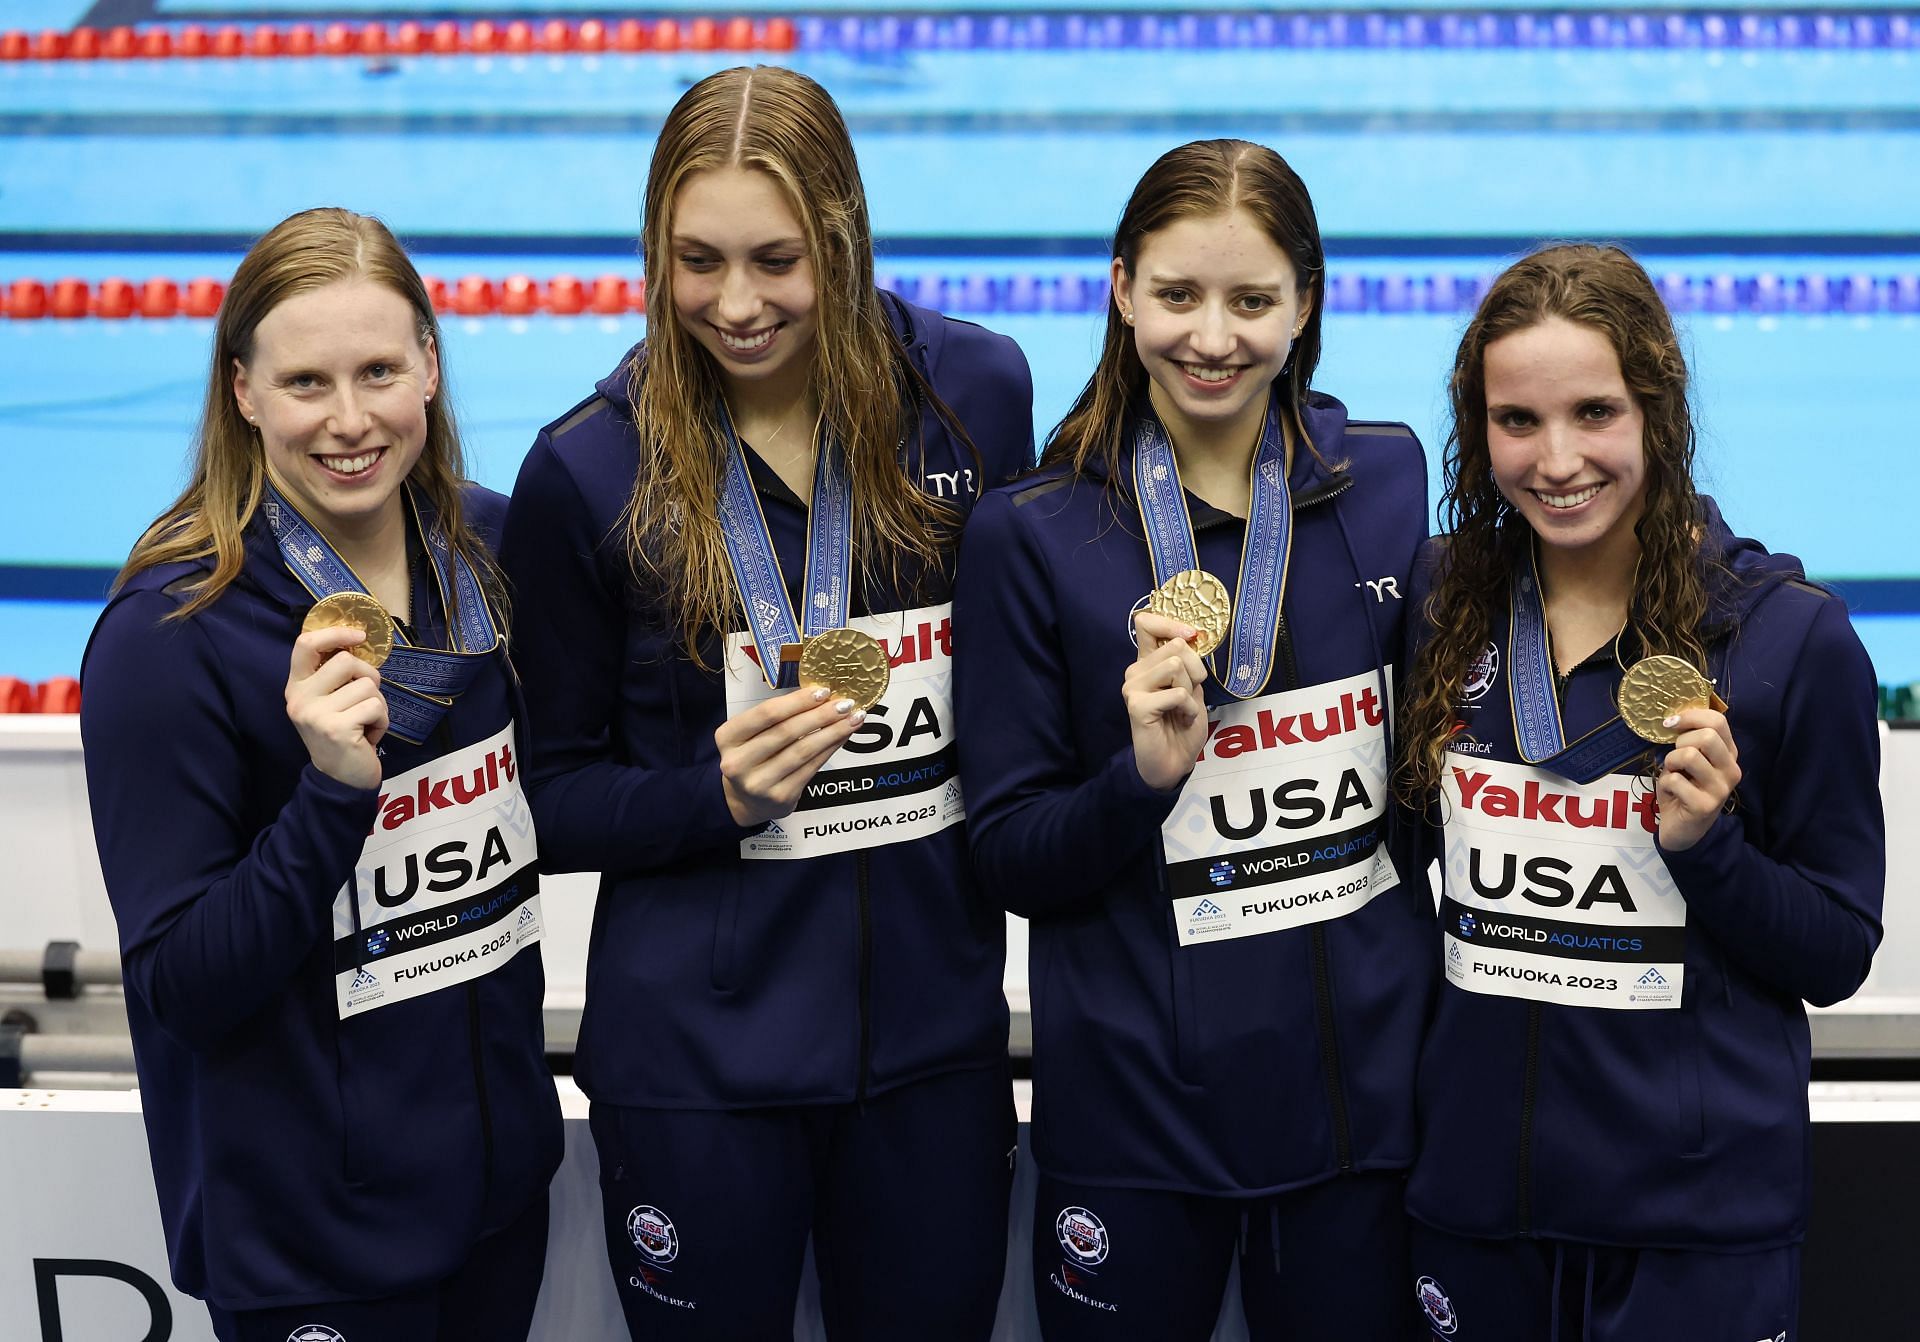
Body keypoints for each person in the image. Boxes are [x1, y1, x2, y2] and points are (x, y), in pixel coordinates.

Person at [498, 66, 1033, 1340]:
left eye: (777, 260)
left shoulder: (976, 393)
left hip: (930, 1051)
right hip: (697, 1067)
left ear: (843, 237)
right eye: (698, 262)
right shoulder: (591, 469)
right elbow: (550, 797)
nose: (736, 306)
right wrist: (711, 797)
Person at [955, 138, 1434, 1341]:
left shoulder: (1385, 481)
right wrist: (1139, 782)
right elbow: (1009, 854)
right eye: (1177, 295)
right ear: (1121, 290)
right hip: (1134, 1120)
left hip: (1359, 1108)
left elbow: (1418, 801)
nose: (1212, 336)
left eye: (1251, 300)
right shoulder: (1036, 530)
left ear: (1306, 304)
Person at [80, 207, 562, 1342]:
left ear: (431, 367)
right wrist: (333, 794)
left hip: (496, 1199)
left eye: (380, 370)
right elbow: (183, 984)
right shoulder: (171, 634)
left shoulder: (491, 559)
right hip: (313, 1242)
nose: (350, 422)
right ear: (242, 390)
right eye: (305, 383)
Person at [1395, 243, 1884, 1341]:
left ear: (1657, 412)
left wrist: (1711, 850)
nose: (1557, 458)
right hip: (1479, 1207)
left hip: (1693, 1224)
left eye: (1596, 413)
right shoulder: (1442, 601)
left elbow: (1839, 948)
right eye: (1517, 420)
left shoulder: (1788, 641)